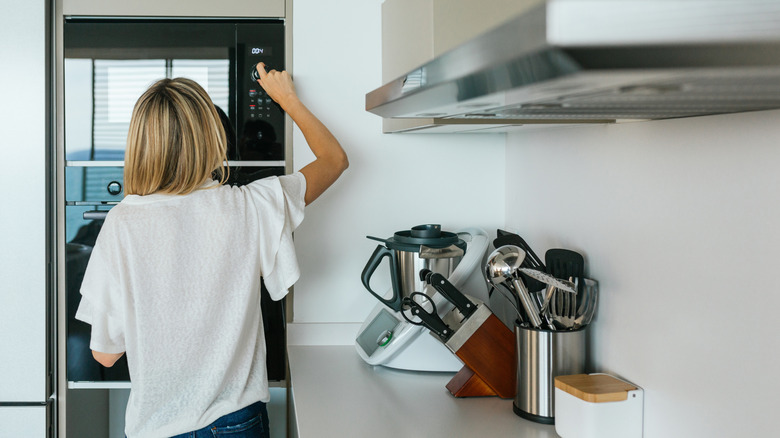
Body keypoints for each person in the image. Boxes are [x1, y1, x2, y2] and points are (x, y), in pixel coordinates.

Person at [75, 63, 348, 437]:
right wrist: (286, 98)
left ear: (140, 144)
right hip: (239, 421)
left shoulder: (122, 223)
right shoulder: (251, 205)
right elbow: (334, 159)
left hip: (158, 426)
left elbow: (105, 354)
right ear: (212, 136)